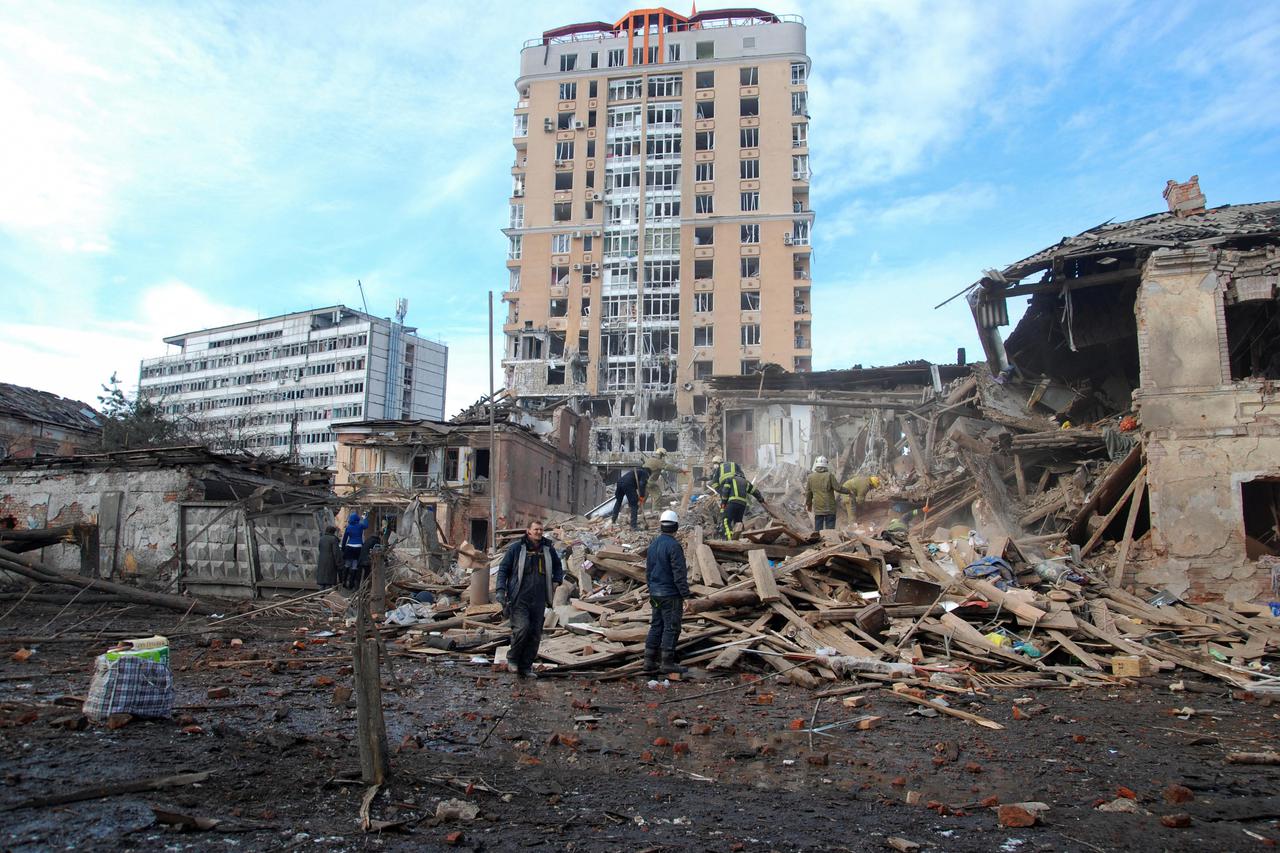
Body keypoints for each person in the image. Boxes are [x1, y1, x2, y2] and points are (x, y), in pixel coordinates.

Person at [496, 520, 564, 679]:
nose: (539, 532)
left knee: (534, 633)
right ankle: (512, 659)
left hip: (539, 598)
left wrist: (556, 580)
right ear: (528, 531)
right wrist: (500, 590)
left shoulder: (548, 549)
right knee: (522, 629)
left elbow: (558, 566)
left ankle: (526, 666)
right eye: (535, 529)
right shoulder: (516, 548)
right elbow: (503, 569)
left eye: (541, 529)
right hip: (520, 597)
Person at [645, 510, 690, 676]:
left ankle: (649, 660)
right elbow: (679, 574)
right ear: (676, 526)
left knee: (656, 625)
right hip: (670, 595)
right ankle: (667, 663)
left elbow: (648, 572)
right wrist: (686, 596)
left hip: (655, 593)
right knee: (671, 627)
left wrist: (652, 588)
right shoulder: (674, 546)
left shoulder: (653, 545)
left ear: (661, 525)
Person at [719, 471, 766, 540]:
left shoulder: (730, 479)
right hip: (742, 505)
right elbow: (755, 492)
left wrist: (723, 504)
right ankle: (741, 538)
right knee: (738, 522)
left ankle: (729, 539)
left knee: (726, 520)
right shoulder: (746, 482)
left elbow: (725, 492)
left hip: (732, 503)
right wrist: (761, 500)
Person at [805, 456, 847, 531]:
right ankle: (830, 541)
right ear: (826, 465)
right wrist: (848, 491)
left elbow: (808, 493)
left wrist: (809, 504)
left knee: (818, 530)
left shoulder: (810, 477)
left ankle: (818, 541)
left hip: (818, 508)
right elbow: (838, 488)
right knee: (830, 531)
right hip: (829, 508)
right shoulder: (829, 476)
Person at [610, 464, 651, 530]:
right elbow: (642, 484)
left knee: (619, 501)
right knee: (634, 504)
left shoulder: (638, 472)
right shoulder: (645, 473)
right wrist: (642, 496)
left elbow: (638, 484)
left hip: (620, 482)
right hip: (628, 484)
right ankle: (633, 526)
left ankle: (613, 520)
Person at [340, 511, 368, 587]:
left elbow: (345, 539)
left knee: (347, 564)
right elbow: (366, 526)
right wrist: (365, 518)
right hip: (358, 546)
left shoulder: (348, 527)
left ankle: (344, 582)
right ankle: (352, 584)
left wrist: (343, 548)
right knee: (355, 565)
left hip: (349, 546)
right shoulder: (360, 526)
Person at [316, 525, 341, 590]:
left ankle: (320, 597)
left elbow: (319, 548)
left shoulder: (321, 538)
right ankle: (326, 597)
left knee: (322, 582)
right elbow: (336, 553)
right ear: (333, 532)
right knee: (328, 582)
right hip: (330, 562)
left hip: (321, 561)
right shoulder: (333, 539)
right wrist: (339, 564)